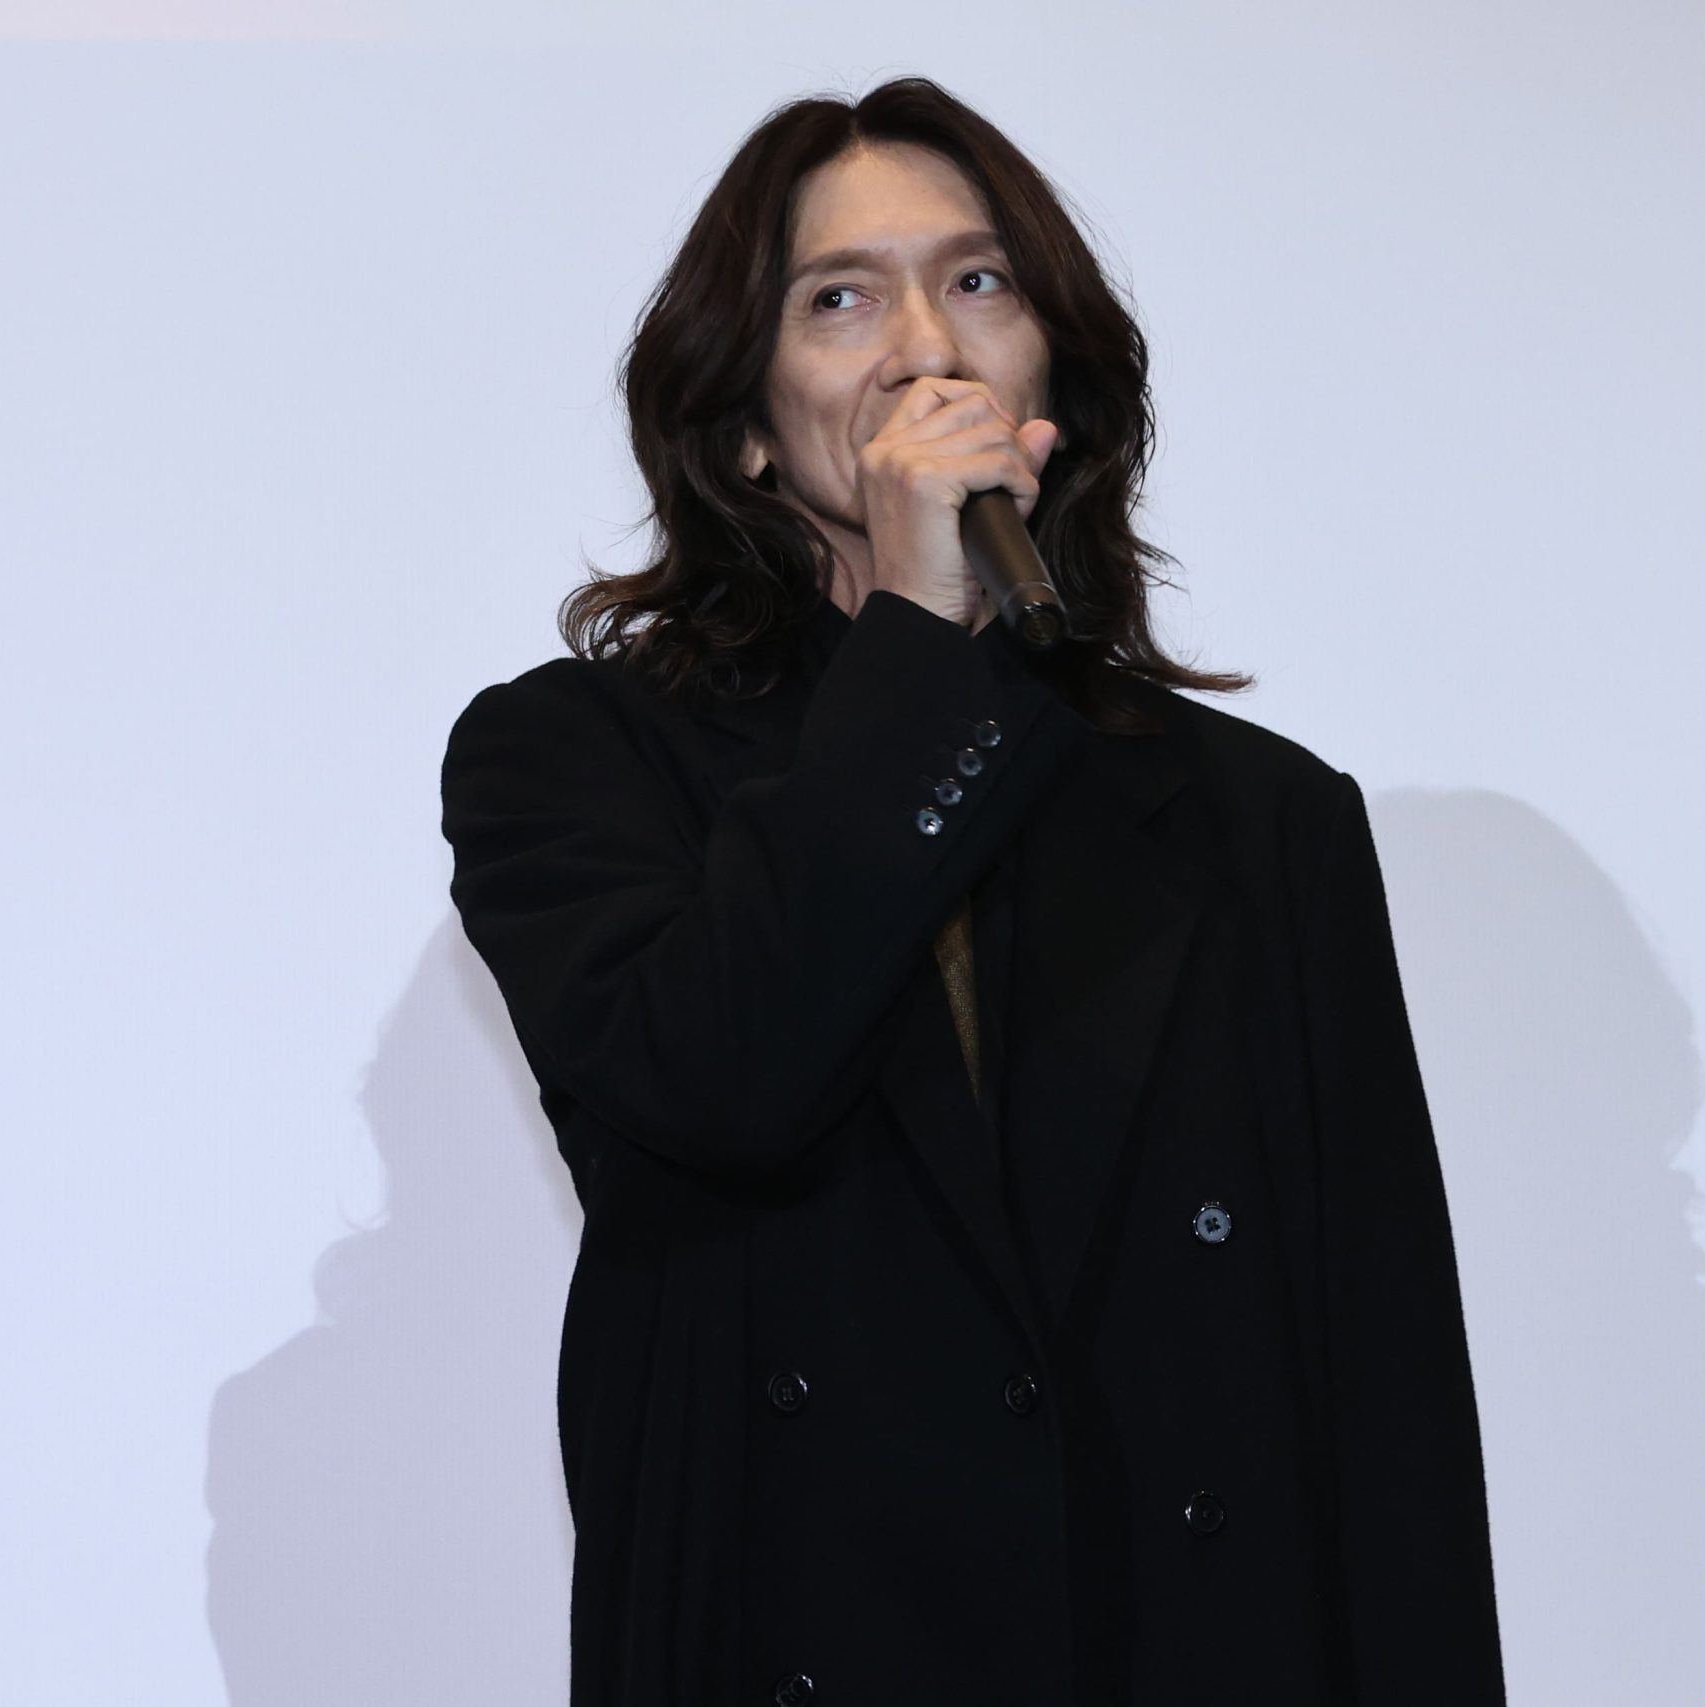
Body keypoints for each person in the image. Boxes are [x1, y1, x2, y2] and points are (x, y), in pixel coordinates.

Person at [440, 75, 1504, 1707]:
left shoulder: (1260, 817)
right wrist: (916, 648)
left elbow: (1386, 1384)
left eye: (979, 281)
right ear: (744, 421)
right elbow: (719, 1080)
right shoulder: (574, 759)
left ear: (1049, 384)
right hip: (800, 1637)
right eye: (841, 297)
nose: (925, 346)